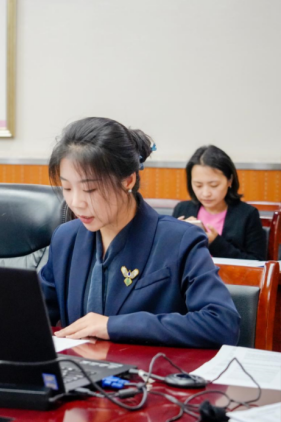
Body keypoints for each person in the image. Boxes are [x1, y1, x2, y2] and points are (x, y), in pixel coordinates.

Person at [40, 117, 240, 348]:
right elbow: (33, 312)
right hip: (77, 368)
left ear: (128, 181)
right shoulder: (66, 238)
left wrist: (112, 326)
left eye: (90, 189)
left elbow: (222, 324)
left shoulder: (179, 240)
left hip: (148, 370)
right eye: (67, 188)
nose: (76, 202)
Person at [172, 146, 266, 260]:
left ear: (230, 180)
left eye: (214, 185)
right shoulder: (182, 209)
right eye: (198, 185)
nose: (206, 193)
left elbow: (257, 262)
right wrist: (173, 237)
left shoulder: (248, 214)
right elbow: (168, 257)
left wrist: (215, 242)